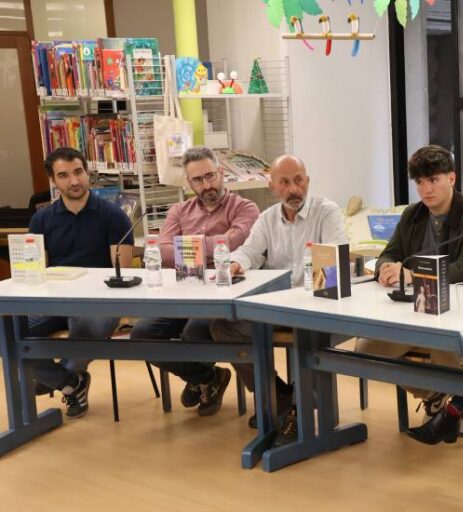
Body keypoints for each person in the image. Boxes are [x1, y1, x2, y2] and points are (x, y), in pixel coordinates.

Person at [358, 144, 463, 446]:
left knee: (449, 350)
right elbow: (389, 254)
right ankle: (434, 394)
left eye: (433, 180)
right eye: (420, 182)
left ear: (452, 178)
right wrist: (387, 269)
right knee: (365, 351)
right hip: (415, 314)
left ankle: (458, 408)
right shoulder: (413, 214)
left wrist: (414, 275)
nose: (426, 189)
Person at [208, 154, 346, 446]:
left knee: (304, 333)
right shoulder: (267, 218)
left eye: (299, 180)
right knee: (223, 327)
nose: (293, 189)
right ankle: (279, 396)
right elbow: (249, 251)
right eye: (284, 182)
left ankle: (297, 413)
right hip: (276, 308)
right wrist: (236, 263)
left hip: (316, 307)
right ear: (272, 186)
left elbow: (334, 260)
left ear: (308, 181)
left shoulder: (327, 212)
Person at [130, 146, 259, 417]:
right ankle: (207, 378)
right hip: (182, 292)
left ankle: (200, 379)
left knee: (194, 334)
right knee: (141, 335)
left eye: (210, 176)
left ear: (221, 173)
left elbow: (236, 242)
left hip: (221, 295)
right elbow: (162, 251)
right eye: (198, 180)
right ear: (189, 183)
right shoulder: (179, 211)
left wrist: (188, 246)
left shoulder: (245, 208)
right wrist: (215, 246)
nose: (206, 185)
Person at [27, 147, 135, 418]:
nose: (74, 181)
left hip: (100, 303)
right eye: (64, 175)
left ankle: (56, 378)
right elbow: (36, 273)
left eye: (78, 172)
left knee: (86, 327)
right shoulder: (41, 220)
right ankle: (70, 383)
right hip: (54, 301)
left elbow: (121, 272)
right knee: (7, 330)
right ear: (53, 180)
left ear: (87, 173)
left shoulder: (113, 215)